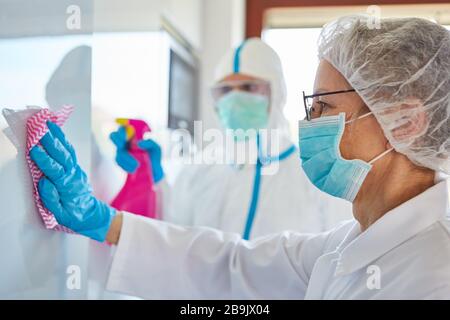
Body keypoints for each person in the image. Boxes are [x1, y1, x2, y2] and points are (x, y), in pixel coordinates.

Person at [30, 15, 450, 299]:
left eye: (321, 106)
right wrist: (105, 221)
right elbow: (232, 265)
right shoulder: (347, 244)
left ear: (406, 121)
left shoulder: (435, 272)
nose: (309, 123)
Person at [110, 38, 352, 239]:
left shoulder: (315, 176)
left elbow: (335, 259)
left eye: (249, 88)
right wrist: (152, 180)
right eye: (225, 91)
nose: (234, 100)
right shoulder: (199, 171)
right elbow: (171, 237)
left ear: (277, 92)